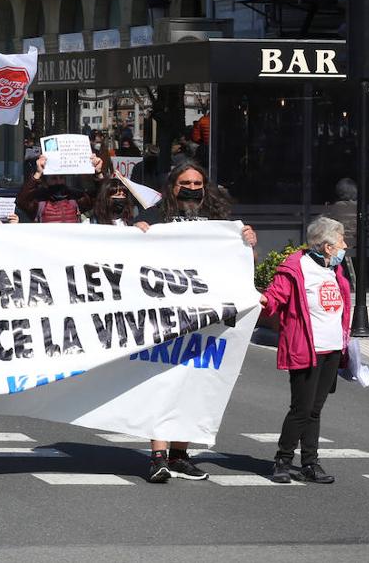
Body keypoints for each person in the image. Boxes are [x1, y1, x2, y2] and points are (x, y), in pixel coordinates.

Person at [135, 161, 257, 483]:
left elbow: (241, 261)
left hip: (205, 317)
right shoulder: (154, 217)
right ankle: (158, 456)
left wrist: (247, 242)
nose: (191, 188)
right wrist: (137, 235)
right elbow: (128, 254)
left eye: (197, 182)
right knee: (161, 381)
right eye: (185, 183)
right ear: (172, 186)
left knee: (194, 383)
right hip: (165, 315)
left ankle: (179, 455)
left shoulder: (219, 221)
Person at [260, 216, 351, 485]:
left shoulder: (334, 270)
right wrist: (262, 299)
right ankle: (283, 460)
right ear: (327, 247)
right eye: (341, 241)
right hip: (307, 349)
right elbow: (276, 296)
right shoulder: (296, 268)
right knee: (301, 408)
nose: (345, 246)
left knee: (315, 409)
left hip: (333, 349)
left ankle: (310, 463)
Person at [17, 154, 103, 223]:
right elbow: (21, 201)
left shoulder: (74, 199)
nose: (58, 181)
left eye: (61, 177)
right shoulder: (39, 202)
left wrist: (98, 173)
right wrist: (38, 173)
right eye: (54, 178)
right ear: (46, 181)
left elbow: (101, 197)